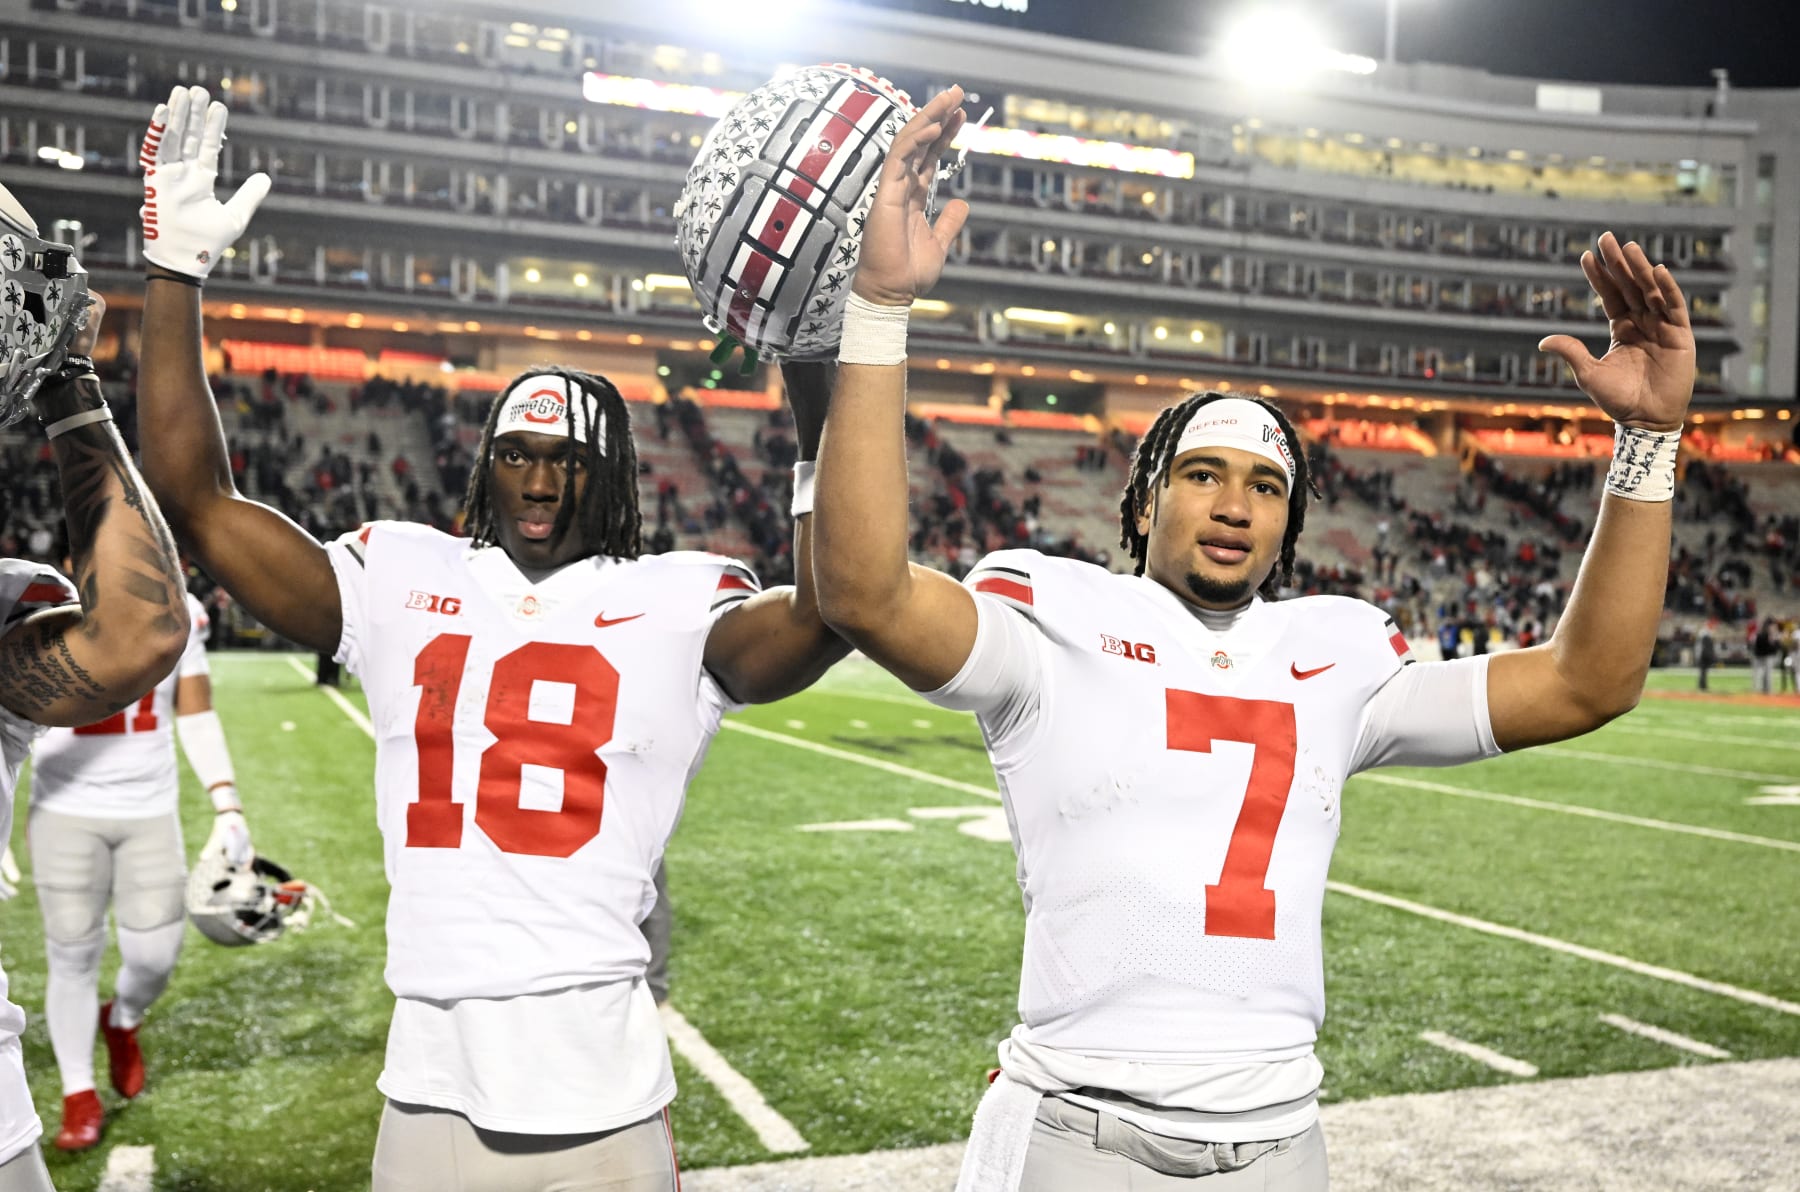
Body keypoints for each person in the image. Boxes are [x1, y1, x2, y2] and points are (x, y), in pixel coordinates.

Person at [811, 86, 1694, 1192]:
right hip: (1081, 1134)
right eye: (1203, 475)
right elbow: (864, 591)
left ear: (1288, 522)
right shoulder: (1057, 621)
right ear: (1143, 504)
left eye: (1266, 485)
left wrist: (1649, 441)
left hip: (1281, 1137)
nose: (1234, 503)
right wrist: (880, 308)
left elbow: (1589, 681)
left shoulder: (1340, 655)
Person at [134, 86, 846, 1192]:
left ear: (615, 480)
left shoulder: (678, 600)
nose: (543, 481)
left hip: (606, 1090)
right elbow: (194, 495)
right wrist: (175, 267)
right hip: (429, 1081)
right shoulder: (402, 576)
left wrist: (812, 365)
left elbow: (836, 598)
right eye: (519, 452)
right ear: (485, 464)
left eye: (571, 462)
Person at [0, 187, 193, 1192]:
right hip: (75, 808)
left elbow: (142, 632)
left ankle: (114, 1034)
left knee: (144, 954)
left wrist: (69, 379)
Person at [26, 580, 251, 1151]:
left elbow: (195, 713)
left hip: (148, 808)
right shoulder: (41, 609)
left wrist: (226, 802)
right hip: (63, 811)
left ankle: (123, 1017)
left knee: (154, 957)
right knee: (71, 956)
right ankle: (79, 1094)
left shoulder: (181, 610)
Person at [1696, 620, 1717, 691]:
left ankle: (1703, 686)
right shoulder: (1704, 633)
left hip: (1703, 654)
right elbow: (1706, 646)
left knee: (1704, 671)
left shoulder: (1705, 632)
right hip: (1703, 654)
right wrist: (1711, 656)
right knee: (1703, 671)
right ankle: (1702, 686)